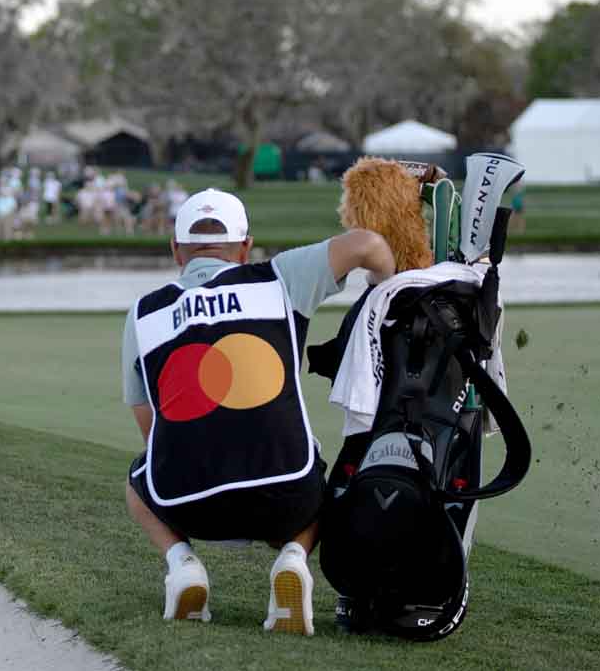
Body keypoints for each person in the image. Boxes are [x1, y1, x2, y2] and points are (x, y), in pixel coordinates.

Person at [121, 188, 395, 635]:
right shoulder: (279, 277)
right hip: (285, 498)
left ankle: (184, 565)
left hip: (189, 506)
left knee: (138, 481)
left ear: (175, 250)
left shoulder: (143, 314)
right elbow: (367, 244)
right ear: (246, 247)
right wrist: (385, 286)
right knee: (315, 463)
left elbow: (150, 428)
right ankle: (291, 559)